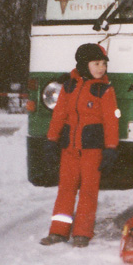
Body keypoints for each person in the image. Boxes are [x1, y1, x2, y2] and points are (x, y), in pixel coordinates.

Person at [40, 43, 120, 248]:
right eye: (96, 63)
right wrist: (51, 141)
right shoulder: (69, 87)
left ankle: (82, 233)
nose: (101, 68)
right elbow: (59, 116)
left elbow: (111, 122)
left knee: (88, 191)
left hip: (92, 151)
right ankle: (58, 231)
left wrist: (111, 148)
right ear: (84, 65)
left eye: (103, 64)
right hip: (69, 150)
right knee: (65, 189)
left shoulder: (105, 90)